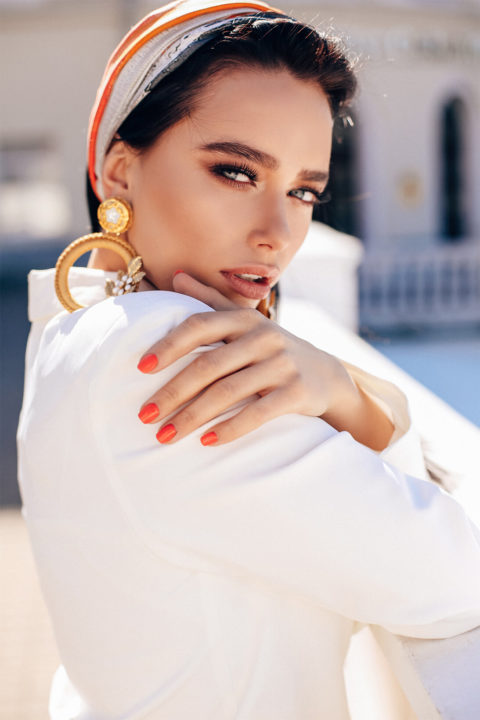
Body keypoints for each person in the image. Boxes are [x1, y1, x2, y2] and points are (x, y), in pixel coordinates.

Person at [17, 1, 480, 718]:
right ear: (120, 173)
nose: (277, 233)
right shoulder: (164, 359)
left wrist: (341, 388)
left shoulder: (75, 329)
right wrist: (357, 400)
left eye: (303, 191)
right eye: (235, 172)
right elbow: (454, 579)